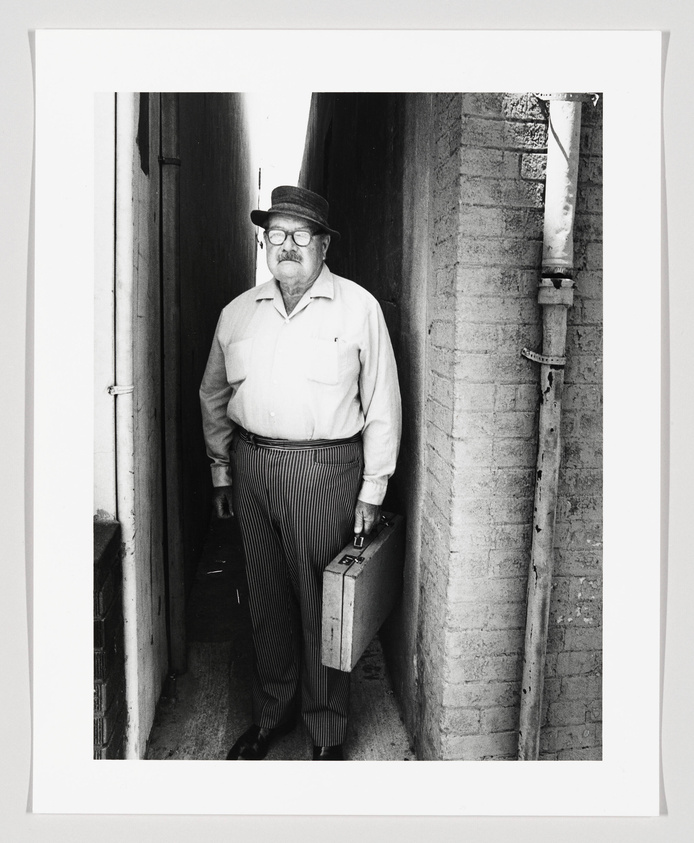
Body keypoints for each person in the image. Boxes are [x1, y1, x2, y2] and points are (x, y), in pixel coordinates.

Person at [200, 185, 401, 761]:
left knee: (322, 603)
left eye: (300, 234)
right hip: (252, 464)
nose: (286, 245)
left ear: (323, 243)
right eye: (276, 235)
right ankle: (274, 712)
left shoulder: (359, 309)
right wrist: (221, 469)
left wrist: (373, 489)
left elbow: (383, 405)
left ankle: (325, 731)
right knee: (263, 595)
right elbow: (213, 395)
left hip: (323, 471)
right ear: (265, 243)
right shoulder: (238, 312)